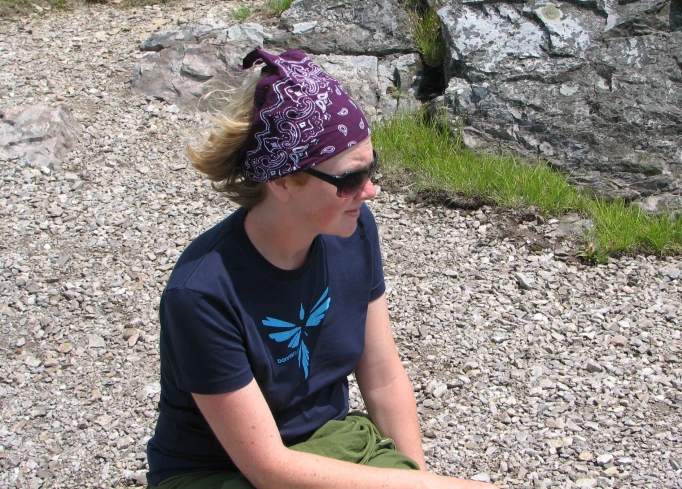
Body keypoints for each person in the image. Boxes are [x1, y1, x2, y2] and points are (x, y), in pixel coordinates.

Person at [145, 49, 497, 489]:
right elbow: (268, 469)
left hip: (329, 441)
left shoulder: (353, 229)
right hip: (221, 471)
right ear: (281, 181)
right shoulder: (201, 294)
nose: (369, 191)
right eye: (349, 179)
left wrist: (415, 477)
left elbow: (383, 376)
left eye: (373, 168)